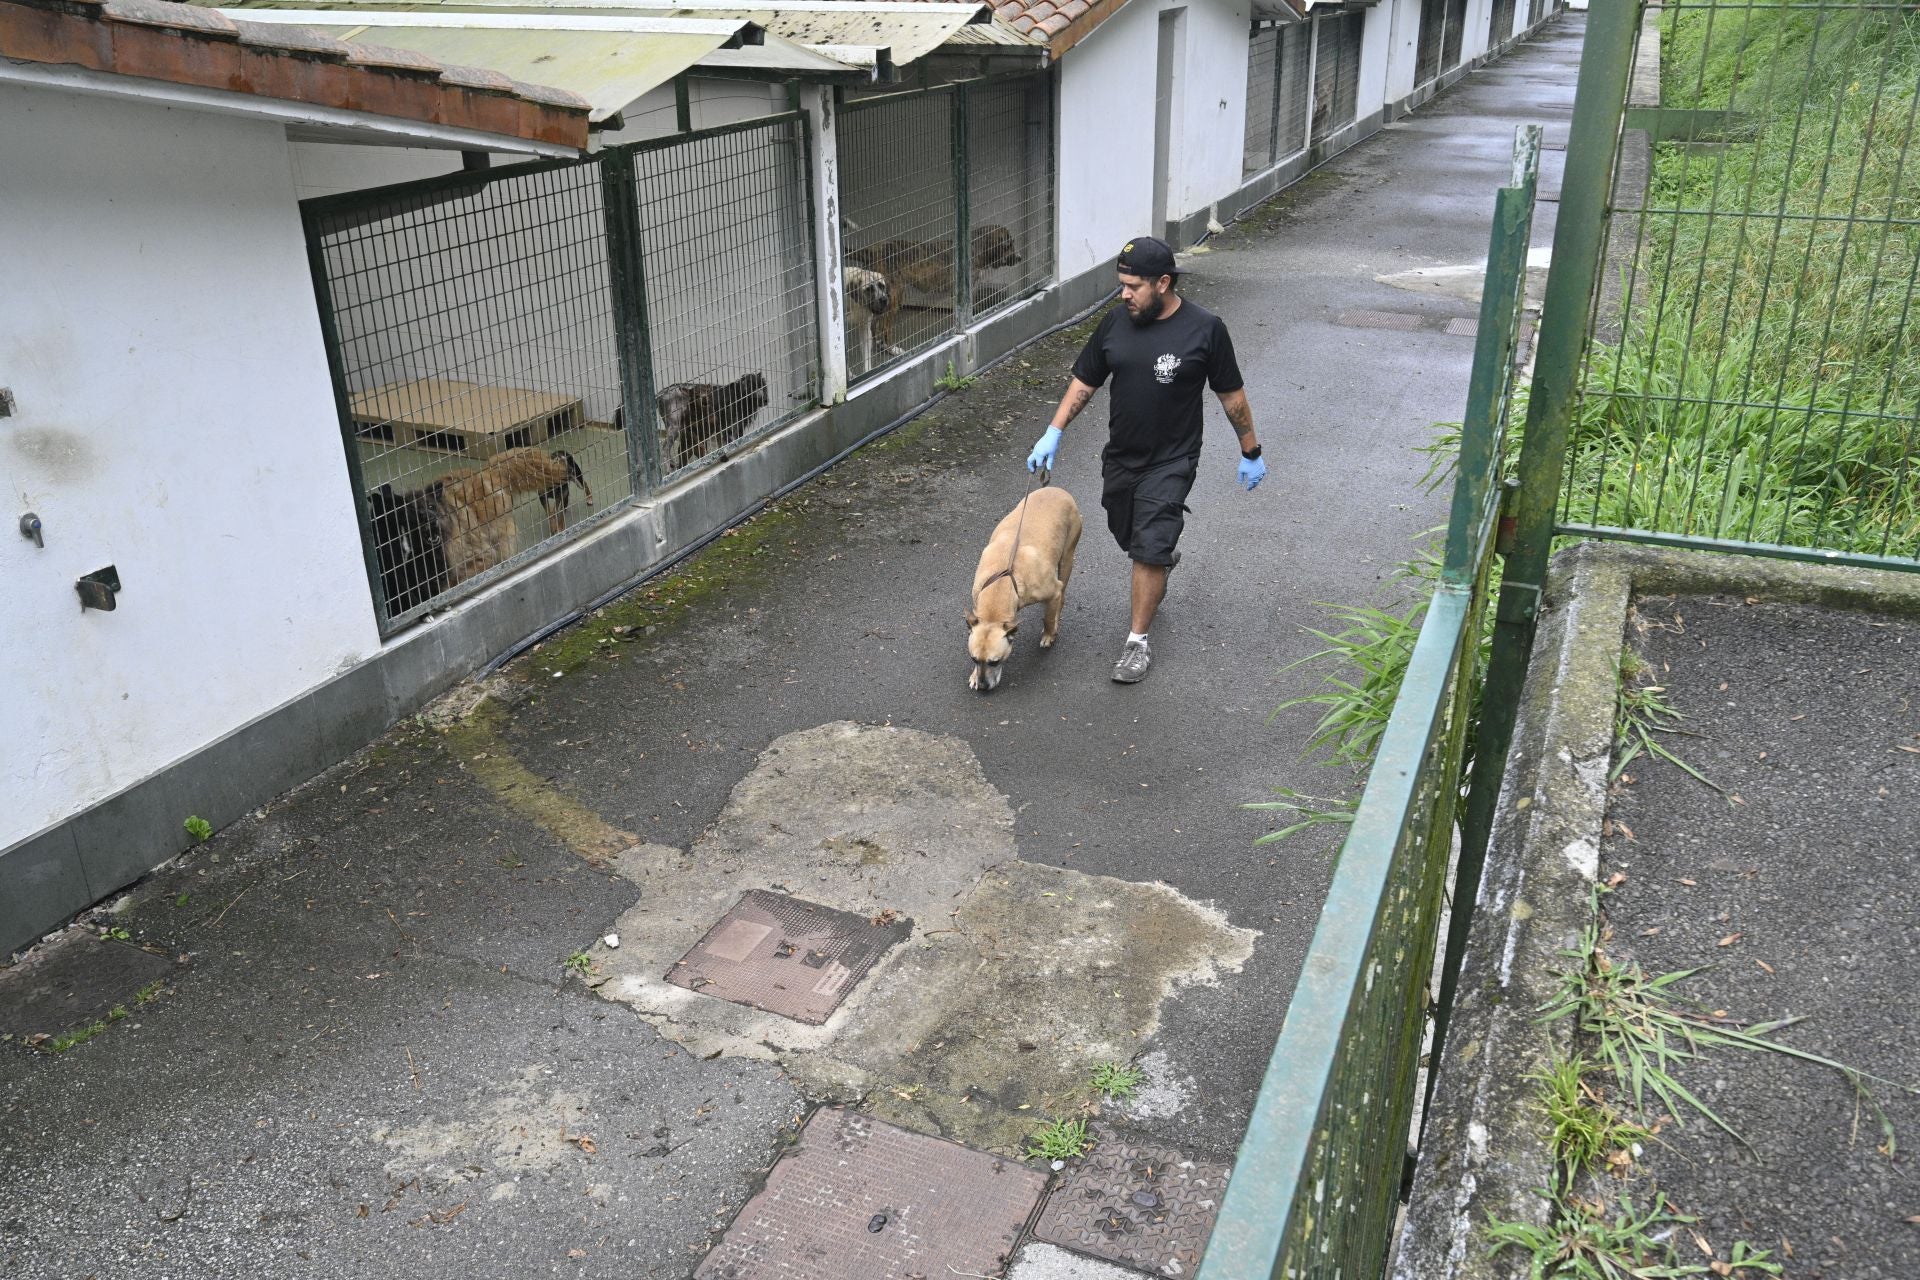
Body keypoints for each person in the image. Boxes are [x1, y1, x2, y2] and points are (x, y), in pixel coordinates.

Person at [1026, 236, 1265, 684]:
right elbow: (1085, 382)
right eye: (1122, 284)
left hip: (1172, 460)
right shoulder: (1115, 324)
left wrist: (1250, 450)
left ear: (1163, 283)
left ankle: (1136, 643)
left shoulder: (1205, 329)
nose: (1124, 294)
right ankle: (1157, 557)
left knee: (1148, 547)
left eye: (1133, 286)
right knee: (1128, 533)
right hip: (1122, 458)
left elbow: (1231, 397)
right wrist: (1054, 431)